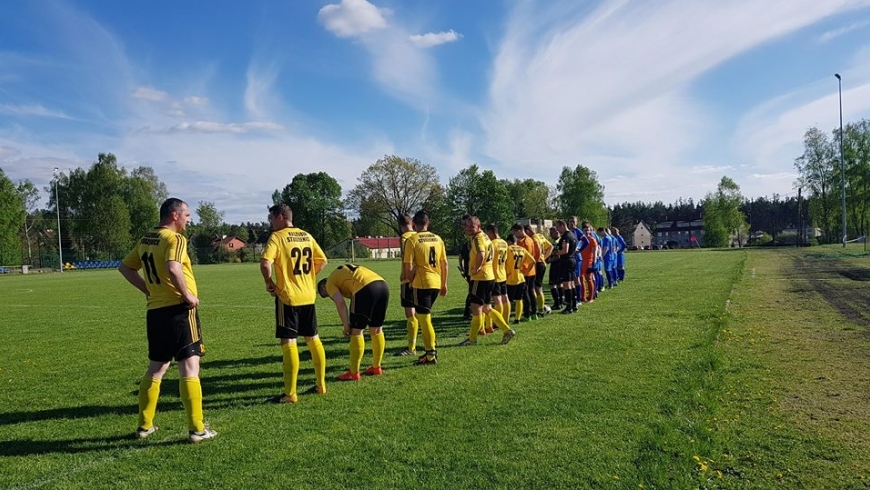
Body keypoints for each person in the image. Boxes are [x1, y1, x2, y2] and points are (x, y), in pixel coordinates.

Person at [118, 197, 216, 443]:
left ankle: (144, 426)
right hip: (180, 310)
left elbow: (126, 268)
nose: (188, 220)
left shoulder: (146, 239)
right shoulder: (175, 239)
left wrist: (148, 290)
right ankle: (197, 429)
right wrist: (188, 296)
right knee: (190, 367)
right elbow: (173, 267)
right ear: (174, 215)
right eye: (187, 215)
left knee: (157, 367)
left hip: (156, 312)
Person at [260, 204, 328, 404]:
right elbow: (322, 260)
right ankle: (321, 384)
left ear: (280, 217)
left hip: (288, 297)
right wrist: (308, 277)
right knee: (313, 339)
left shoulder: (278, 237)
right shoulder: (306, 235)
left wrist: (269, 283)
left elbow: (265, 263)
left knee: (289, 342)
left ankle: (290, 393)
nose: (270, 222)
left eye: (271, 218)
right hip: (308, 295)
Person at [318, 264, 389, 380]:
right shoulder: (340, 276)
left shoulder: (329, 283)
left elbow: (340, 303)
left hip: (365, 288)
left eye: (327, 296)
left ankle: (354, 372)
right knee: (376, 329)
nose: (330, 297)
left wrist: (346, 326)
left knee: (357, 331)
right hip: (382, 285)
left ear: (323, 288)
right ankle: (376, 367)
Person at [458, 216, 516, 346]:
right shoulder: (485, 237)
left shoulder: (478, 238)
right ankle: (507, 330)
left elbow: (481, 254)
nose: (468, 228)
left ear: (478, 226)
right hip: (489, 277)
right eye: (466, 226)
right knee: (487, 307)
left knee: (476, 308)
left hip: (480, 277)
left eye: (471, 226)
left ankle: (472, 339)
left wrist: (477, 267)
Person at [402, 211, 448, 365]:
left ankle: (430, 354)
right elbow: (444, 264)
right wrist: (444, 283)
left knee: (424, 319)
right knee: (426, 317)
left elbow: (407, 265)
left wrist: (410, 279)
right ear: (428, 223)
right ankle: (430, 351)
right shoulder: (438, 239)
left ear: (414, 223)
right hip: (436, 282)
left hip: (421, 283)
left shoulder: (412, 240)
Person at [395, 214, 418, 356]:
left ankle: (411, 347)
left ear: (401, 226)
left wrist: (407, 275)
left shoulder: (404, 238)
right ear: (412, 223)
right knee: (422, 313)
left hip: (408, 279)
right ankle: (429, 343)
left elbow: (406, 259)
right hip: (421, 278)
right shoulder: (418, 236)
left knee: (410, 313)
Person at [511, 224, 540, 320]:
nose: (514, 235)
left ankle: (527, 314)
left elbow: (525, 257)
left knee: (525, 293)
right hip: (532, 270)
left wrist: (524, 270)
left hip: (526, 270)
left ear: (519, 230)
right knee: (531, 291)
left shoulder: (524, 242)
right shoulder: (530, 239)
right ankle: (534, 313)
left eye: (514, 232)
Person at [504, 234, 536, 323]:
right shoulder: (522, 249)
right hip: (520, 277)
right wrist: (526, 272)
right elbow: (533, 261)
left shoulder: (508, 249)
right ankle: (517, 319)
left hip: (510, 278)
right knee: (519, 299)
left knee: (508, 300)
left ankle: (506, 319)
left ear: (509, 241)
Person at [484, 223, 510, 333]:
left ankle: (498, 323)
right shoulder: (504, 243)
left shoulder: (492, 243)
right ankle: (505, 320)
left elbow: (489, 259)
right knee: (505, 298)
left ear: (491, 232)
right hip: (503, 273)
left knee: (497, 300)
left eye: (487, 233)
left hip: (494, 275)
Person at [550, 220, 578, 314]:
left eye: (558, 227)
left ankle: (569, 307)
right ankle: (574, 305)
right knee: (572, 283)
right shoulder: (573, 235)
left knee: (566, 284)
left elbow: (565, 250)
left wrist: (556, 252)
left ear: (562, 226)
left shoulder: (566, 236)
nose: (558, 230)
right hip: (573, 259)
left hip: (566, 260)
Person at [547, 226, 564, 309]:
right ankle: (561, 301)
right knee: (559, 284)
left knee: (552, 284)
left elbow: (558, 255)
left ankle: (557, 303)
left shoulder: (557, 242)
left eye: (551, 233)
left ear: (557, 232)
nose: (550, 235)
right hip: (561, 265)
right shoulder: (560, 240)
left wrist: (549, 261)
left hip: (556, 265)